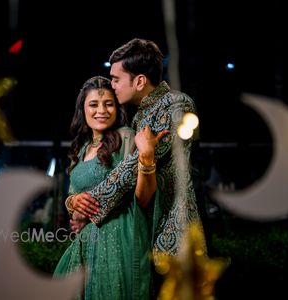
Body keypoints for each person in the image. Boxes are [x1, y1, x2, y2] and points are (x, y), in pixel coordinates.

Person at [69, 38, 207, 290]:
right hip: (144, 229)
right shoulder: (141, 115)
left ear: (140, 81)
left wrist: (88, 206)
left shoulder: (175, 104)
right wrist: (75, 203)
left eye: (116, 79)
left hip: (172, 232)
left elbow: (131, 168)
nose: (112, 85)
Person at [53, 75, 165, 300]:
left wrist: (146, 156)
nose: (101, 110)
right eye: (93, 104)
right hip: (87, 244)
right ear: (82, 110)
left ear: (117, 107)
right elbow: (74, 200)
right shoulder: (82, 149)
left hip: (121, 236)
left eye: (108, 103)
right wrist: (72, 202)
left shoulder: (126, 138)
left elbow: (143, 198)